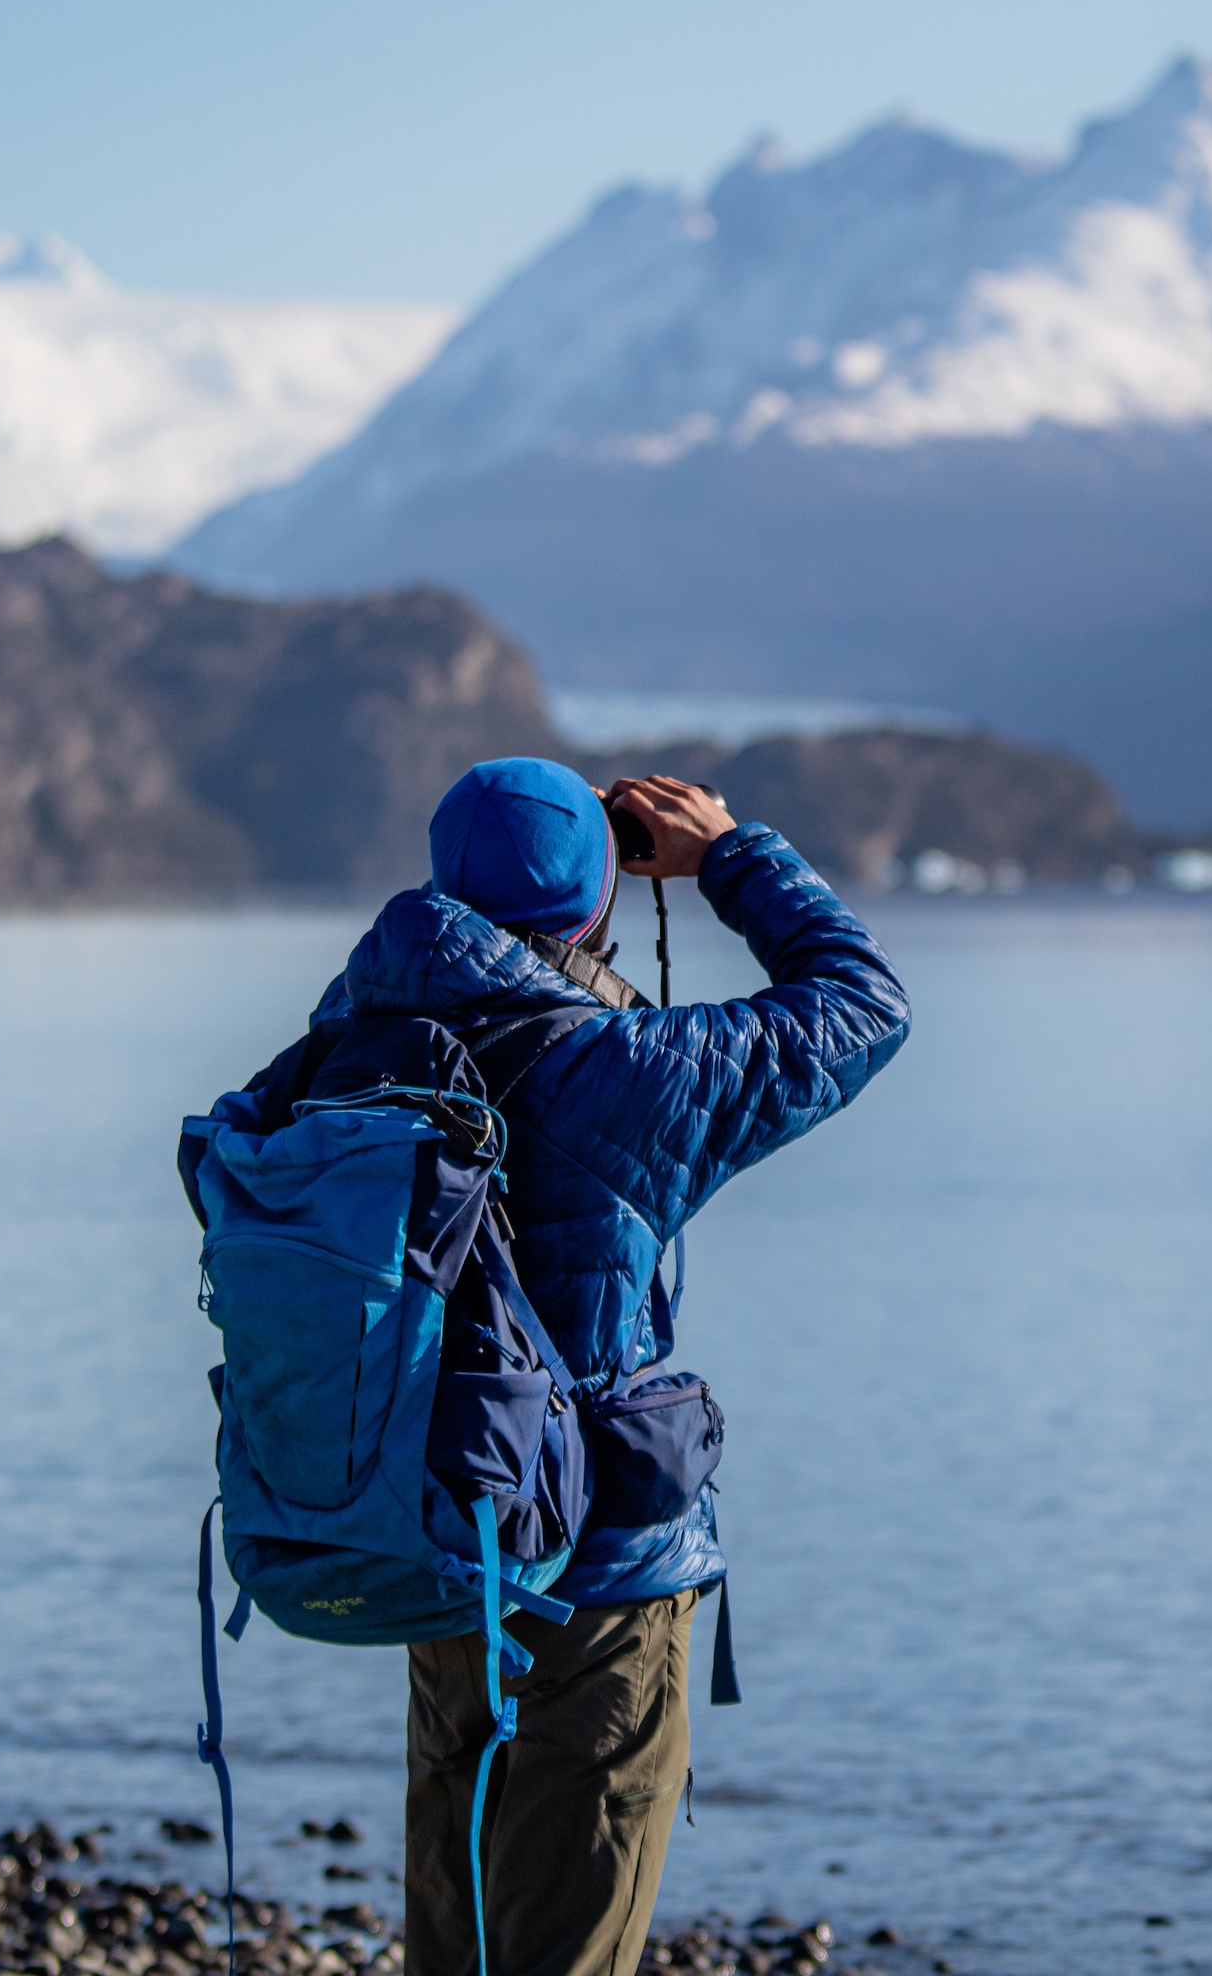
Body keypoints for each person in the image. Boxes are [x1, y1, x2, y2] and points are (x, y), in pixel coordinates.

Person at [220, 757, 910, 1976]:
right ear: (593, 906)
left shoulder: (341, 1049)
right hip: (598, 1584)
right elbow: (863, 1004)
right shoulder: (634, 1074)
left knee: (462, 1943)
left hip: (446, 1543)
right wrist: (729, 856)